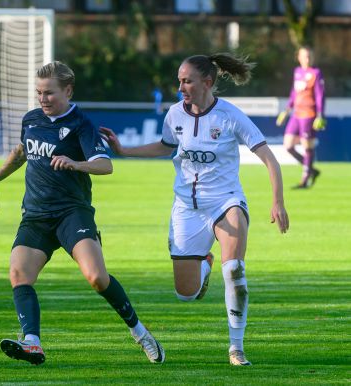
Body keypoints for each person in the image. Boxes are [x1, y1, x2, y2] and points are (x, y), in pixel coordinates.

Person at [100, 53, 289, 366]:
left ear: (207, 82)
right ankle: (205, 264)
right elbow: (164, 146)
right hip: (187, 209)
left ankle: (236, 348)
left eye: (186, 81)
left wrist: (278, 201)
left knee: (235, 270)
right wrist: (124, 150)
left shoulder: (231, 116)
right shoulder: (175, 114)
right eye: (179, 80)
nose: (181, 86)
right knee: (185, 293)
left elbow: (269, 158)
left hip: (226, 201)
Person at [0, 61, 164, 366]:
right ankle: (32, 343)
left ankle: (141, 333)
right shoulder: (32, 119)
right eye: (39, 92)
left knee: (96, 278)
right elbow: (22, 152)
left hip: (72, 214)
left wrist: (76, 163)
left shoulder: (81, 125)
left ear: (67, 90)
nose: (43, 99)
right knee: (19, 274)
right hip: (36, 216)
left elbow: (106, 164)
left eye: (49, 93)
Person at [276, 46, 326, 189]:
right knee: (288, 145)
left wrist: (320, 115)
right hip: (296, 114)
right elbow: (294, 92)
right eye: (305, 56)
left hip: (309, 114)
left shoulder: (316, 73)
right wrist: (286, 110)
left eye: (310, 56)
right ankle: (312, 169)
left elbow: (320, 95)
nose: (307, 59)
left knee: (307, 146)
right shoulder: (297, 72)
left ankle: (305, 179)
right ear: (299, 57)